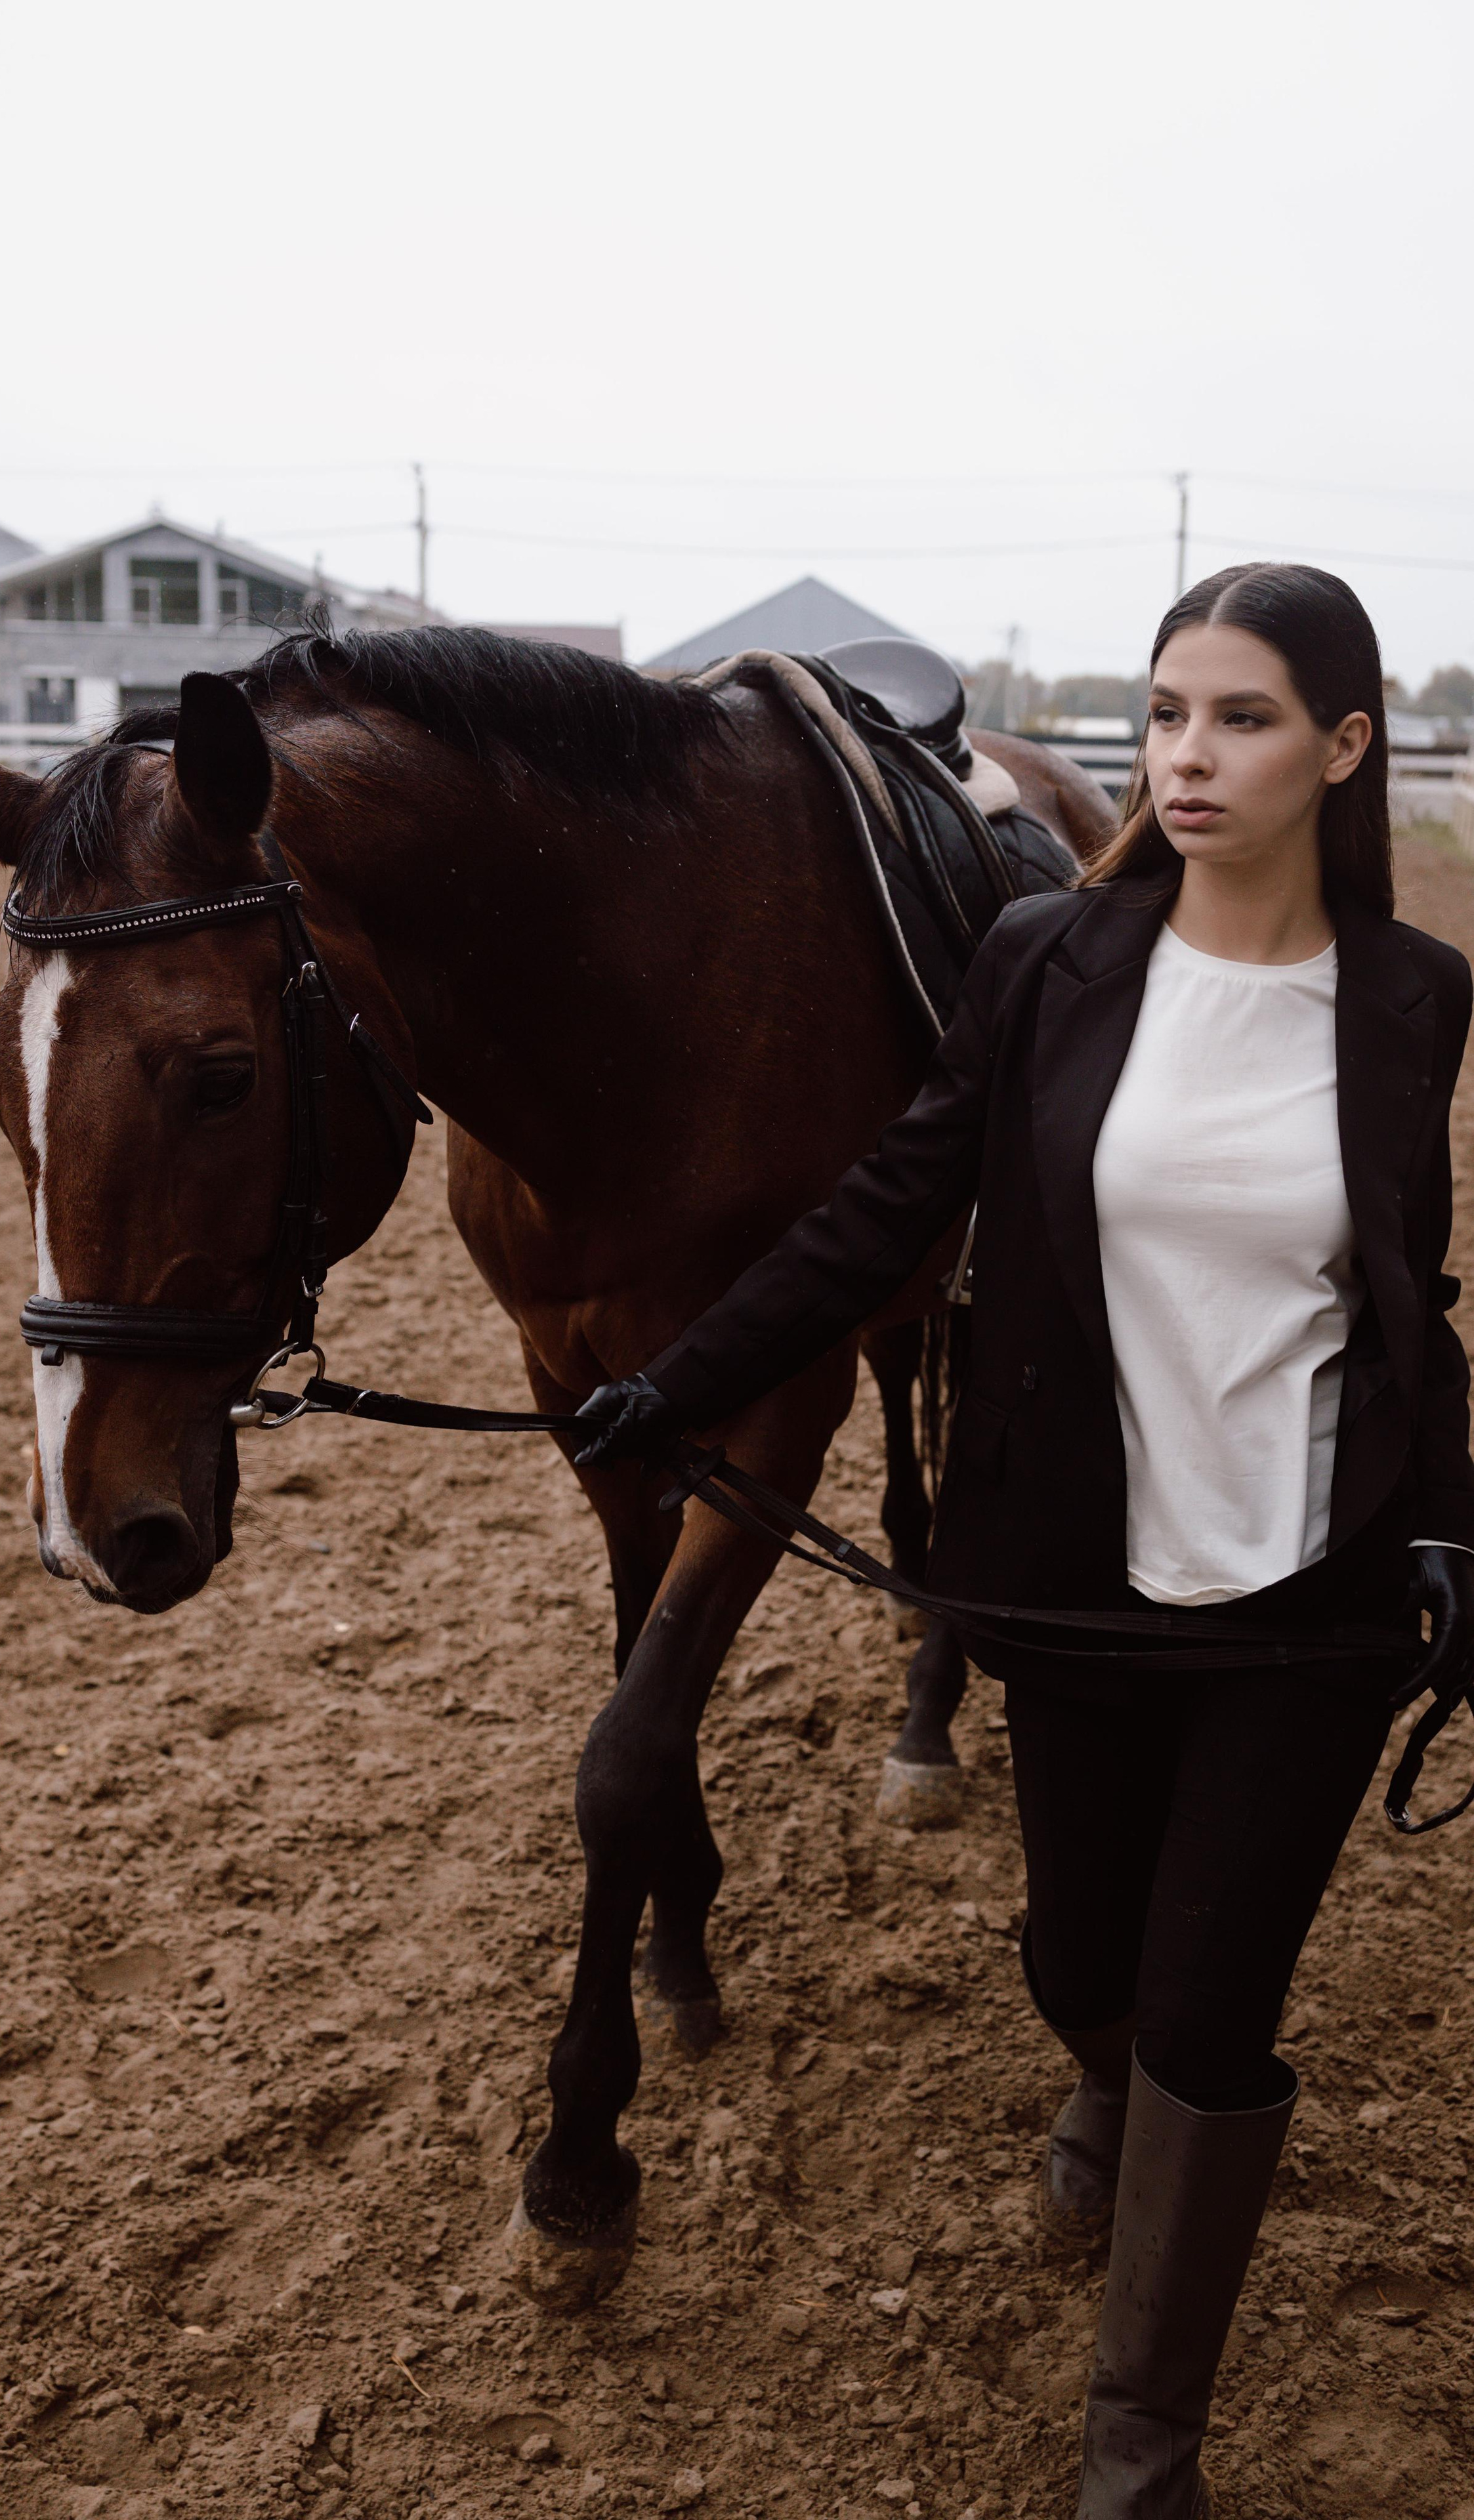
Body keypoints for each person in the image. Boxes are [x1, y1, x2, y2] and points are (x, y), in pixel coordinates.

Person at [574, 563, 1474, 2519]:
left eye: (1241, 718)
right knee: (1086, 1960)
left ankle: (1142, 2442)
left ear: (1344, 747)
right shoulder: (1046, 962)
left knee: (1214, 2011)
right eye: (1166, 713)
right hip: (1069, 1570)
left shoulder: (1418, 996)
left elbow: (1411, 1289)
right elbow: (883, 1207)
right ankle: (1098, 2069)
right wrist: (679, 1382)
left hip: (1312, 1599)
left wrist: (1450, 1533)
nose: (1188, 756)